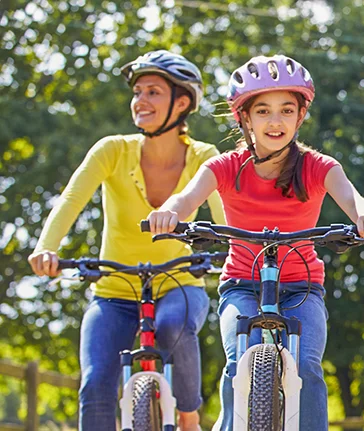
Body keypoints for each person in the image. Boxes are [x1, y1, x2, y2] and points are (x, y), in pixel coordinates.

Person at [147, 54, 364, 431]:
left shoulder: (318, 166)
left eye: (286, 110)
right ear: (245, 117)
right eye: (263, 111)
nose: (275, 121)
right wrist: (170, 211)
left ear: (300, 116)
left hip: (302, 286)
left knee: (306, 365)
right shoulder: (225, 166)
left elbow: (353, 199)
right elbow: (187, 198)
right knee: (237, 359)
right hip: (241, 284)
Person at [28, 50, 225, 431]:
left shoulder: (204, 157)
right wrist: (45, 248)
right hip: (114, 291)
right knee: (95, 382)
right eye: (137, 92)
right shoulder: (112, 151)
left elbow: (225, 221)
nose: (140, 101)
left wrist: (238, 257)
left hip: (180, 284)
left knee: (173, 326)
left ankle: (188, 417)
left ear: (181, 103)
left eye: (153, 92)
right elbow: (71, 200)